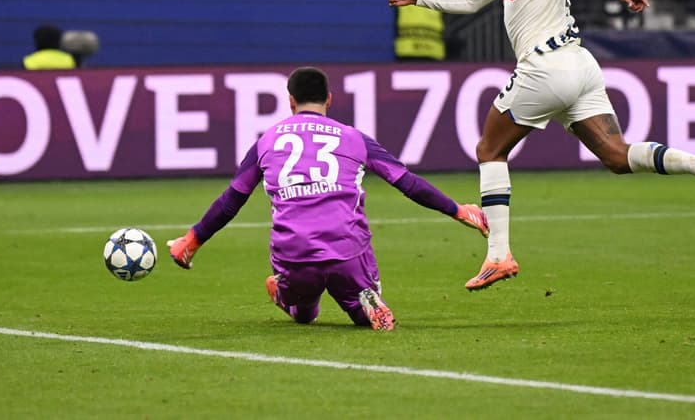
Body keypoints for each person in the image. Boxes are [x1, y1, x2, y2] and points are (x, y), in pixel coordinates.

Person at [378, 0, 695, 292]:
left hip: (546, 68)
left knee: (489, 150)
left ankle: (499, 255)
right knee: (617, 157)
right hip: (580, 68)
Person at [167, 66, 489, 331]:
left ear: (291, 101)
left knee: (303, 313)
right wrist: (458, 209)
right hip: (346, 251)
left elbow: (230, 202)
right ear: (330, 99)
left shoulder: (267, 141)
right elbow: (407, 183)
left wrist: (191, 241)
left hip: (295, 255)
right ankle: (366, 301)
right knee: (356, 304)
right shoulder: (353, 138)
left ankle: (286, 293)